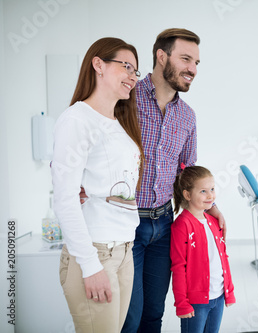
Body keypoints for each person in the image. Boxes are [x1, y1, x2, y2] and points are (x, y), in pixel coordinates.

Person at [121, 28, 226, 333]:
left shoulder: (187, 116)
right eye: (185, 59)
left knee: (154, 313)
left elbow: (188, 172)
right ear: (161, 56)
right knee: (131, 316)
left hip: (164, 224)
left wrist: (210, 206)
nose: (192, 68)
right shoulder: (126, 98)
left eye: (196, 62)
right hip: (127, 224)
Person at [51, 37, 144, 332]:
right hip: (95, 252)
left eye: (136, 71)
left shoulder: (119, 123)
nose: (132, 76)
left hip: (124, 250)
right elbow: (65, 198)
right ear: (98, 65)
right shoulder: (77, 120)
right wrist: (91, 267)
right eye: (126, 66)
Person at [170, 165, 235, 333]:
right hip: (196, 302)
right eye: (203, 191)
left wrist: (229, 290)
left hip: (218, 297)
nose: (210, 195)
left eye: (212, 189)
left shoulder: (214, 221)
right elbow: (178, 267)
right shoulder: (181, 225)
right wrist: (182, 303)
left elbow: (223, 258)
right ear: (187, 194)